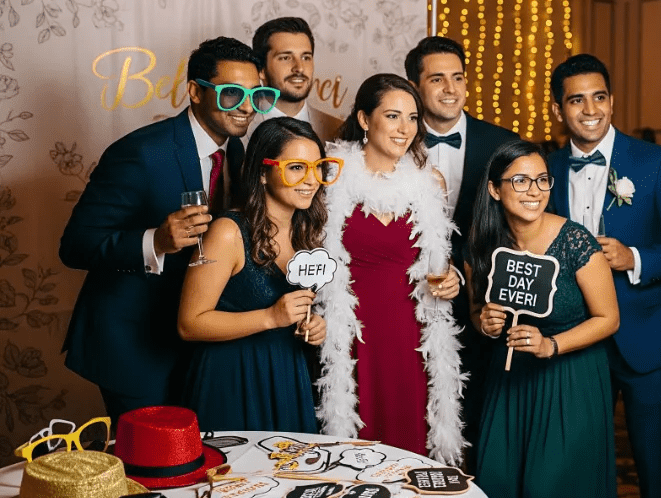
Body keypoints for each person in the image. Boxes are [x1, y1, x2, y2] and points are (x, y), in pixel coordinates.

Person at [59, 37, 271, 421]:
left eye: (256, 96)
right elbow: (75, 246)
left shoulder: (237, 152)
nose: (246, 106)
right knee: (150, 467)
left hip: (196, 339)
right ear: (195, 91)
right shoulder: (141, 153)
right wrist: (154, 241)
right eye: (231, 94)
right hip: (134, 341)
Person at [315, 73, 465, 465]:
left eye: (413, 118)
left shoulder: (430, 181)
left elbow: (439, 258)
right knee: (355, 439)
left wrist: (453, 279)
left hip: (411, 331)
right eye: (394, 116)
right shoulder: (330, 176)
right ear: (365, 119)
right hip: (349, 329)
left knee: (410, 435)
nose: (405, 129)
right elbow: (312, 259)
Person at [546, 54, 661, 498]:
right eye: (577, 100)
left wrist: (634, 257)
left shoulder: (657, 162)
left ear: (612, 100)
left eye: (599, 97)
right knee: (579, 462)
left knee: (655, 469)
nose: (590, 110)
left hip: (643, 344)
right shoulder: (544, 171)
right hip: (576, 340)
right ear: (558, 110)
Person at [468, 140, 619, 498]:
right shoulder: (484, 244)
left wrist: (551, 344)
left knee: (550, 486)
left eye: (542, 180)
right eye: (520, 181)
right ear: (494, 188)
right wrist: (485, 321)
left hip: (570, 380)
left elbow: (609, 318)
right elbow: (476, 312)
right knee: (499, 482)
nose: (534, 191)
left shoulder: (576, 242)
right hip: (509, 380)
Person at [404, 35, 517, 464]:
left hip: (485, 302)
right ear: (415, 86)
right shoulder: (395, 140)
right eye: (437, 79)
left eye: (458, 78)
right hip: (413, 297)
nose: (451, 88)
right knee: (418, 411)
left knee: (481, 419)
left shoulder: (502, 144)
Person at [178, 117, 331, 432]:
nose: (311, 179)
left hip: (288, 373)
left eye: (317, 167)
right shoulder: (227, 232)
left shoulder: (308, 232)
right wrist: (271, 317)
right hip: (233, 379)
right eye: (297, 167)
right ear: (263, 173)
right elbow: (189, 323)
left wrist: (313, 326)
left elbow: (300, 309)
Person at [249, 17, 343, 143]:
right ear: (261, 69)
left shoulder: (337, 130)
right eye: (286, 58)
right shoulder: (237, 128)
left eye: (305, 57)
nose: (299, 68)